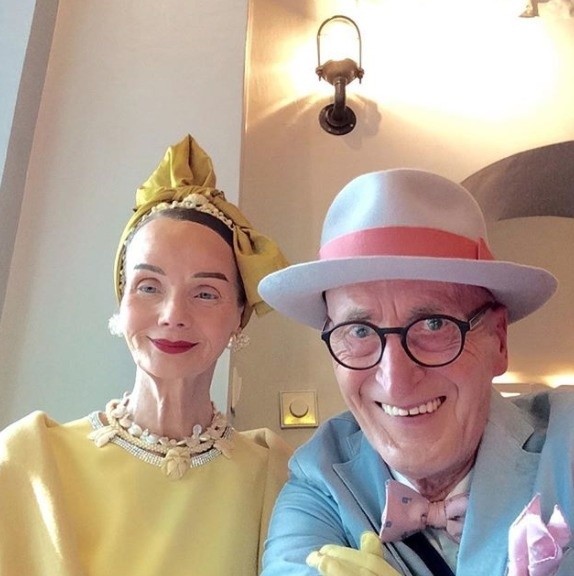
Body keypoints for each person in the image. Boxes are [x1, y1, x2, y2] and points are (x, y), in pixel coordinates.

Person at [0, 135, 292, 575]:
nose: (173, 315)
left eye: (206, 293)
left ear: (239, 315)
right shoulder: (30, 461)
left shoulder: (274, 475)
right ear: (122, 303)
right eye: (149, 287)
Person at [258, 168, 574, 576]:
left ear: (498, 340)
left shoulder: (566, 444)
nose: (396, 380)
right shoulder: (319, 480)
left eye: (434, 324)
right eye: (359, 331)